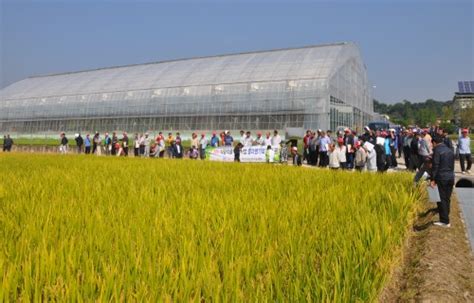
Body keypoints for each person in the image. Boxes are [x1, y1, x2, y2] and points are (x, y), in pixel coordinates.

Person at [431, 136, 455, 227]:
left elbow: (435, 166)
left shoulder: (437, 150)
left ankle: (444, 221)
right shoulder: (449, 150)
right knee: (447, 198)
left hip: (441, 177)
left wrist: (433, 179)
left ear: (434, 142)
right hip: (450, 177)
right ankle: (446, 216)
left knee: (441, 199)